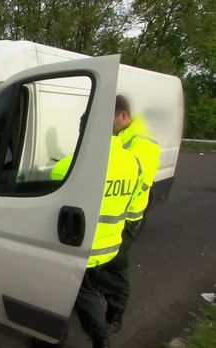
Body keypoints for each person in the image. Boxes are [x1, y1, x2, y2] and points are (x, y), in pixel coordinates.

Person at [46, 134, 142, 348]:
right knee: (102, 285)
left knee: (81, 292)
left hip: (85, 245)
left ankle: (100, 338)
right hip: (113, 244)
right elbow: (136, 206)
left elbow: (54, 184)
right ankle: (113, 318)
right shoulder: (133, 161)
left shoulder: (71, 164)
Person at [99, 95, 161, 334]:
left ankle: (115, 316)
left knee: (116, 267)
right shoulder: (126, 135)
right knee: (100, 263)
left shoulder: (141, 142)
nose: (108, 124)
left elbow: (134, 183)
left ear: (123, 115)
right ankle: (94, 302)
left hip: (126, 218)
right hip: (116, 213)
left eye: (111, 119)